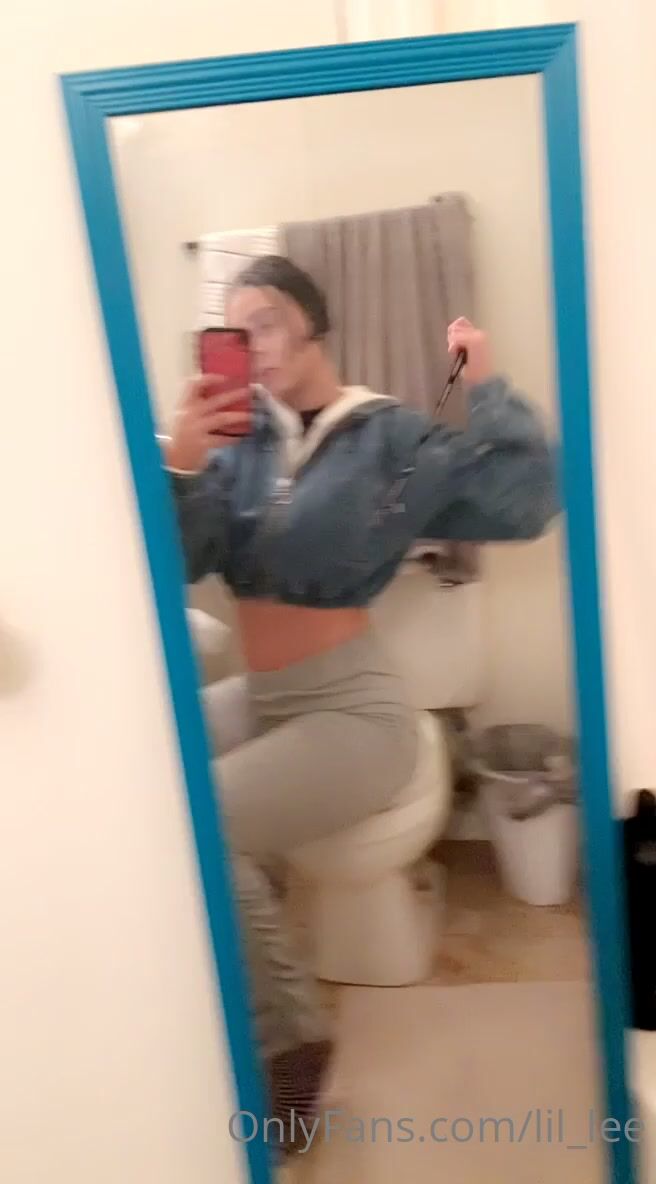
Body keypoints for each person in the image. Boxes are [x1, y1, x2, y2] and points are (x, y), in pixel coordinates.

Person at [160, 255, 559, 1144]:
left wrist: (486, 382)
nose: (250, 344)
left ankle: (292, 1050)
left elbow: (526, 501)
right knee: (152, 759)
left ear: (314, 326)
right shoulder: (240, 447)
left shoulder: (387, 438)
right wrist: (183, 465)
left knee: (202, 820)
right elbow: (184, 562)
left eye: (265, 321)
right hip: (269, 697)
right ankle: (233, 954)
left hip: (353, 712)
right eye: (233, 331)